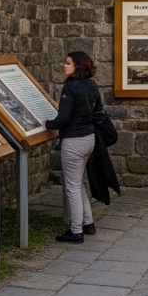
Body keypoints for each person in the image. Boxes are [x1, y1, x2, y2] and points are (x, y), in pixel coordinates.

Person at [44, 51, 102, 243]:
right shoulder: (91, 85)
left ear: (77, 65)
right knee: (77, 183)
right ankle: (88, 222)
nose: (64, 65)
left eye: (68, 63)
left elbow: (63, 118)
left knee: (72, 186)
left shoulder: (71, 88)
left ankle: (76, 230)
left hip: (74, 141)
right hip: (89, 138)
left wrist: (47, 125)